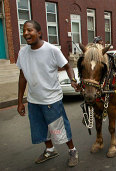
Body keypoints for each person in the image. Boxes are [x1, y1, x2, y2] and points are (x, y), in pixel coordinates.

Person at [17, 20, 81, 167]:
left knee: (59, 129)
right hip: (34, 100)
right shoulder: (23, 52)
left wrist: (72, 80)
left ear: (39, 33)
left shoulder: (52, 50)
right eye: (24, 30)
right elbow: (22, 76)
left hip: (52, 99)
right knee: (40, 128)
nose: (26, 33)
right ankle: (50, 149)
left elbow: (67, 66)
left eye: (29, 30)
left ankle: (72, 150)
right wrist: (20, 101)